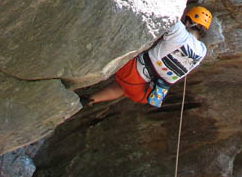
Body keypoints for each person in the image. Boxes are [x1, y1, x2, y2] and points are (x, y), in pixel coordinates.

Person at [81, 6, 212, 107]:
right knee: (124, 89)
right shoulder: (202, 51)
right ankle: (90, 99)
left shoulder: (179, 31)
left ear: (188, 22)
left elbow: (168, 13)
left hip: (133, 73)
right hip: (147, 94)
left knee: (126, 47)